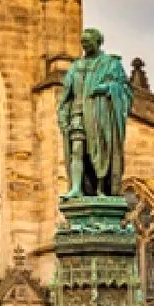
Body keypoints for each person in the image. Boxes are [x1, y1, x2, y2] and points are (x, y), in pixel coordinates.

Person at [57, 27, 132, 199]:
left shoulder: (111, 64)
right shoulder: (75, 66)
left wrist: (107, 88)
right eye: (82, 42)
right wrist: (63, 117)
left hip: (100, 117)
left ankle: (101, 189)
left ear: (98, 42)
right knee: (77, 150)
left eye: (87, 41)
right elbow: (66, 96)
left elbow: (125, 89)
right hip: (78, 114)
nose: (84, 44)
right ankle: (76, 188)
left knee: (100, 151)